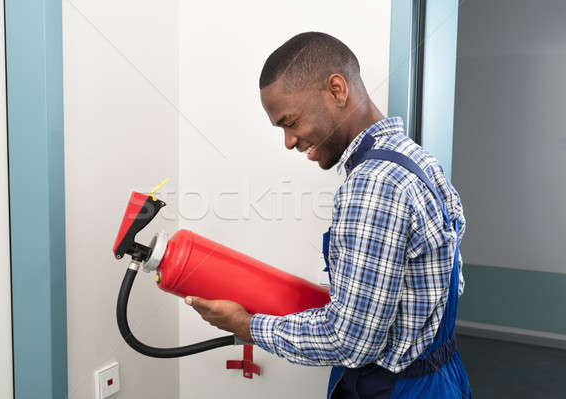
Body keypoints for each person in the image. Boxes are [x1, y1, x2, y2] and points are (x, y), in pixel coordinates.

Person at [185, 32, 471, 398]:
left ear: (337, 90)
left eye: (290, 122)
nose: (289, 141)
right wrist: (357, 292)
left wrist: (248, 326)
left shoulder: (372, 185)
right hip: (443, 377)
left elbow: (351, 342)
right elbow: (446, 283)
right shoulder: (417, 159)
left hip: (399, 390)